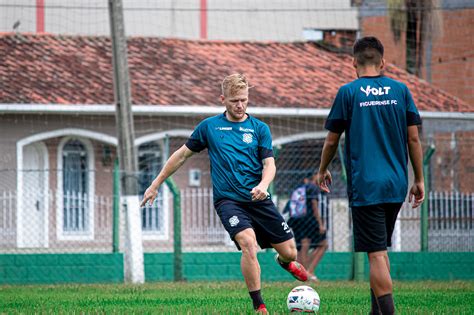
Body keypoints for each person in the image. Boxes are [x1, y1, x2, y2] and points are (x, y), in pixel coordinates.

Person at [141, 73, 308, 314]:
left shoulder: (260, 129)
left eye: (243, 100)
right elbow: (181, 155)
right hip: (229, 201)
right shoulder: (209, 127)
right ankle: (259, 305)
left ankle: (284, 262)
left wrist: (263, 185)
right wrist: (155, 183)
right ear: (223, 99)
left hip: (258, 197)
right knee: (248, 243)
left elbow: (270, 164)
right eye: (234, 101)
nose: (240, 105)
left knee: (290, 252)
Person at [315, 37, 424, 315]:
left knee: (375, 253)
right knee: (381, 249)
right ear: (383, 62)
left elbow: (331, 141)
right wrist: (419, 179)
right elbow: (413, 140)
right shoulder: (401, 90)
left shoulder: (348, 93)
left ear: (353, 62)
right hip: (396, 183)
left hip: (367, 185)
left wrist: (322, 168)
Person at [285, 177, 328, 281]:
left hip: (296, 220)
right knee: (322, 244)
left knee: (302, 246)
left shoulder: (298, 188)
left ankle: (302, 273)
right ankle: (308, 272)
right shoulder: (313, 187)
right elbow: (314, 205)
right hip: (309, 220)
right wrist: (320, 223)